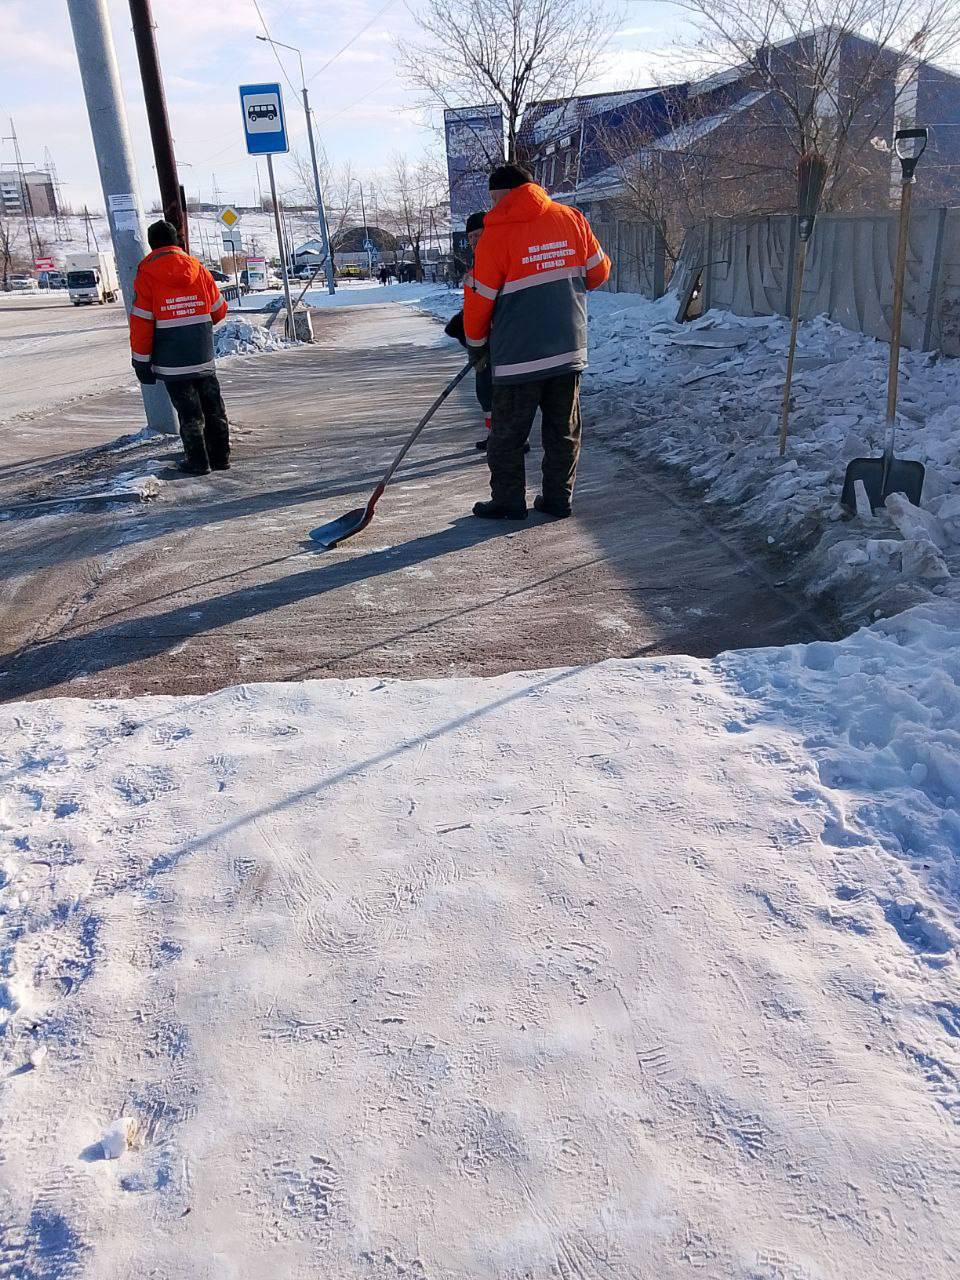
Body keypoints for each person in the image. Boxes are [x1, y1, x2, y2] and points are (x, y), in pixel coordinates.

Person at [464, 163, 611, 520]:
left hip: (519, 356)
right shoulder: (572, 218)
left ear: (501, 195)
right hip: (567, 347)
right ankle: (558, 499)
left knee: (508, 435)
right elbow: (598, 273)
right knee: (563, 430)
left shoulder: (494, 237)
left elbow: (480, 299)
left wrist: (476, 342)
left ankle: (509, 501)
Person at [129, 220, 231, 475]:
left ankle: (198, 462)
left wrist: (140, 361)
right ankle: (221, 458)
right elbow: (218, 311)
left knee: (189, 413)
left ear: (152, 245)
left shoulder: (147, 274)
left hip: (172, 360)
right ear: (176, 241)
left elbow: (142, 322)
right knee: (214, 407)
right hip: (202, 354)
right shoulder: (198, 268)